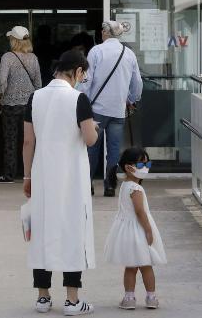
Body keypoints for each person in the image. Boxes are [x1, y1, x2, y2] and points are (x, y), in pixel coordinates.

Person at [23, 50, 99, 316]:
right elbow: (89, 139)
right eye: (83, 75)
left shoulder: (35, 97)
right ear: (77, 71)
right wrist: (95, 129)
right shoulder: (79, 99)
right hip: (72, 177)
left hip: (42, 173)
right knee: (72, 230)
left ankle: (43, 298)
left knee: (41, 231)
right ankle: (72, 300)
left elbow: (28, 142)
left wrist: (27, 176)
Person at [79, 20, 143, 197]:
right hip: (118, 110)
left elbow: (86, 80)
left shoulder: (96, 51)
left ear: (105, 33)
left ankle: (88, 183)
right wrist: (131, 99)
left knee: (92, 147)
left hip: (97, 110)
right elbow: (137, 83)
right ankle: (110, 185)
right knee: (114, 149)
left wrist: (80, 100)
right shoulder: (129, 54)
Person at [104, 147, 166, 310]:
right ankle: (151, 297)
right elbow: (140, 212)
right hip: (138, 231)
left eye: (147, 164)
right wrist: (148, 229)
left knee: (130, 267)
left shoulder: (125, 185)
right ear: (128, 167)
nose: (145, 168)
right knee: (146, 266)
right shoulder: (136, 188)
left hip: (127, 231)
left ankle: (129, 298)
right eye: (140, 165)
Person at [0, 26, 42, 184]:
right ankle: (31, 173)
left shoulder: (7, 57)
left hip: (10, 105)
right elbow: (38, 83)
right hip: (29, 105)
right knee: (29, 140)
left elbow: (2, 80)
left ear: (14, 40)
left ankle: (9, 175)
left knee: (10, 139)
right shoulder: (33, 58)